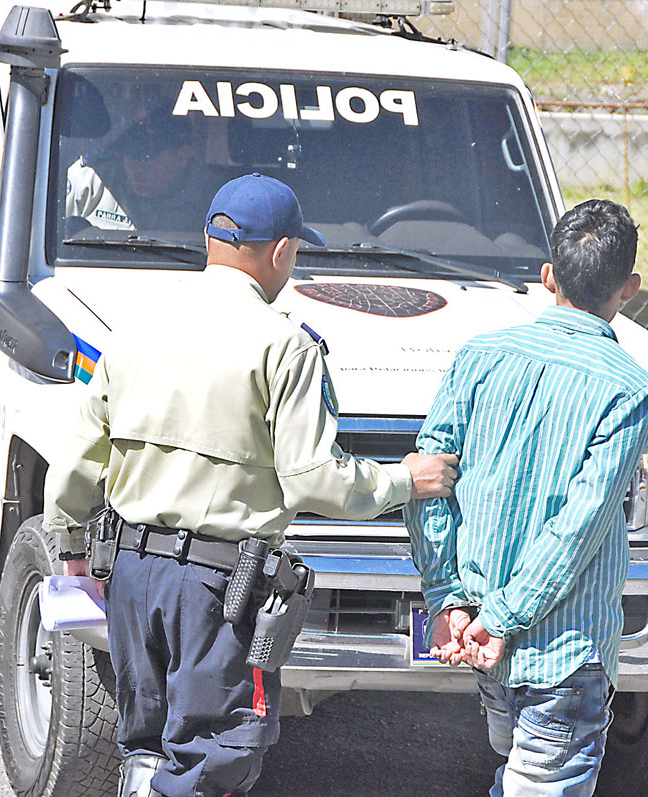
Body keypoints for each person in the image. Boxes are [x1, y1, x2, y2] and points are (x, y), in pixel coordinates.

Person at [44, 172, 459, 797]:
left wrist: (73, 550)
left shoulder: (131, 331)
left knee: (144, 748)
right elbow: (316, 485)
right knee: (211, 760)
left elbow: (76, 460)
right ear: (281, 251)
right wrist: (403, 478)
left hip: (131, 574)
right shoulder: (284, 346)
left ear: (208, 239)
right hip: (218, 589)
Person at [405, 199, 648, 796]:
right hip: (562, 648)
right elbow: (581, 526)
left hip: (480, 632)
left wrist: (451, 600)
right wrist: (503, 617)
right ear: (630, 288)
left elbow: (427, 481)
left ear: (549, 276)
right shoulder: (630, 388)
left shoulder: (479, 357)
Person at [65, 107, 205, 232]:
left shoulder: (209, 197)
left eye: (148, 157)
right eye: (130, 153)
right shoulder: (91, 179)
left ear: (182, 155)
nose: (136, 167)